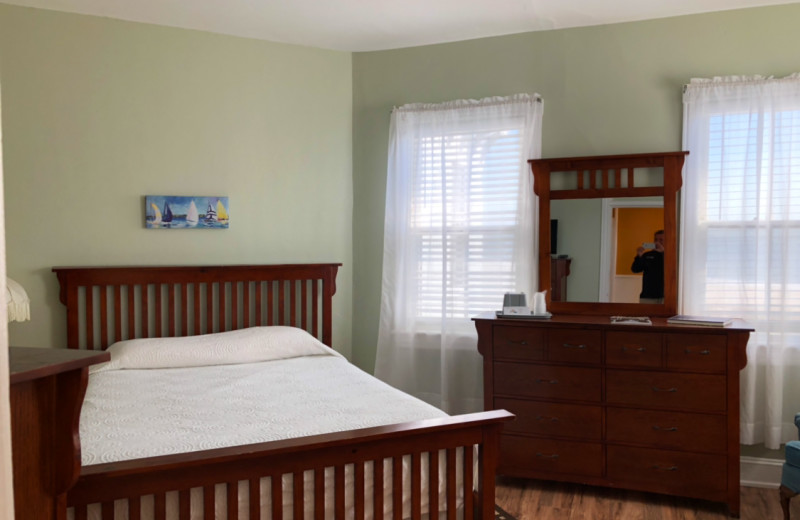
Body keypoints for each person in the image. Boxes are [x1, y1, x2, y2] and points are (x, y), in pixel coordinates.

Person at [631, 230, 664, 304]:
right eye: (655, 240)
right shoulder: (647, 255)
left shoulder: (671, 255)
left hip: (665, 296)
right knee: (645, 315)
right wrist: (639, 256)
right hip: (647, 295)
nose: (657, 242)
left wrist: (663, 253)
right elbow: (635, 269)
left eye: (661, 240)